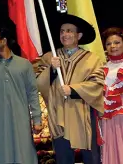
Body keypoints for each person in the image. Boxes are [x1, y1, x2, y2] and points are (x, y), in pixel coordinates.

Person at [36, 14, 104, 164]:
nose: (65, 34)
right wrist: (52, 70)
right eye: (62, 31)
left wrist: (73, 90)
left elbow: (98, 84)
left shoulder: (92, 59)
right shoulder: (50, 57)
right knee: (63, 156)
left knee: (90, 156)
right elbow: (38, 83)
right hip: (59, 112)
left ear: (78, 35)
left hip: (83, 112)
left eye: (69, 31)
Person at [0, 26, 42, 164]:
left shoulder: (24, 64)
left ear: (4, 40)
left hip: (21, 119)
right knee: (1, 155)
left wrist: (37, 119)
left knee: (24, 154)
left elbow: (32, 92)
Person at [98, 27, 123, 164]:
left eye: (117, 42)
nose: (113, 46)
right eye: (109, 44)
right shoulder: (102, 68)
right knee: (112, 151)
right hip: (108, 119)